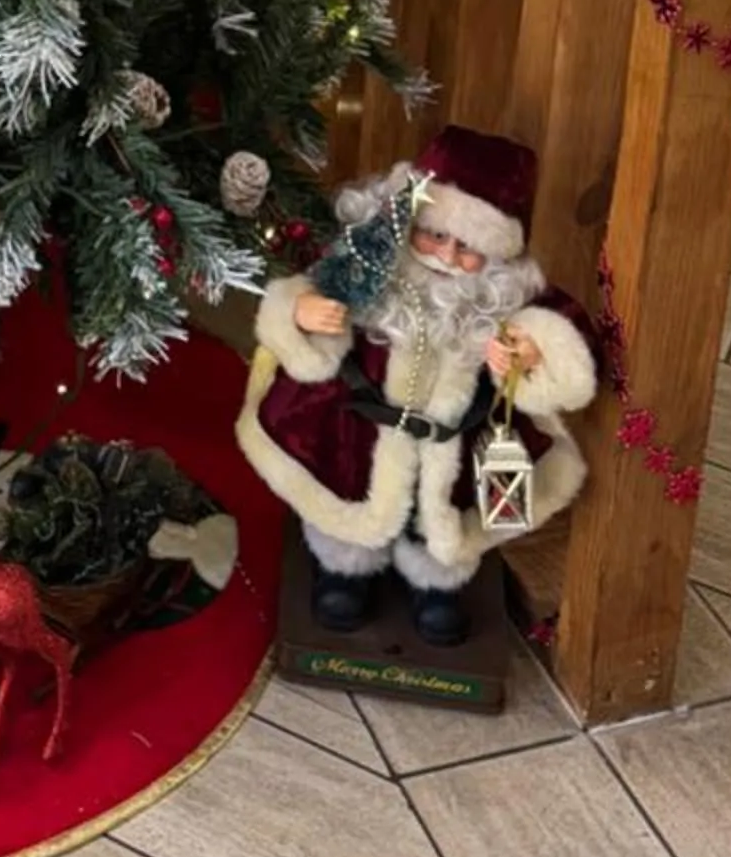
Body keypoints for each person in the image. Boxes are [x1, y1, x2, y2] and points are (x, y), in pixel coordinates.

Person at [235, 126, 599, 645]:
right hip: (358, 426)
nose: (447, 256)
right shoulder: (369, 261)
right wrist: (301, 311)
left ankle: (437, 582)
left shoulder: (506, 294)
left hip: (455, 439)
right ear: (408, 222)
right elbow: (308, 287)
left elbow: (566, 335)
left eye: (469, 247)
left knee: (446, 520)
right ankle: (345, 569)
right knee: (346, 500)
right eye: (435, 235)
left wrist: (531, 350)